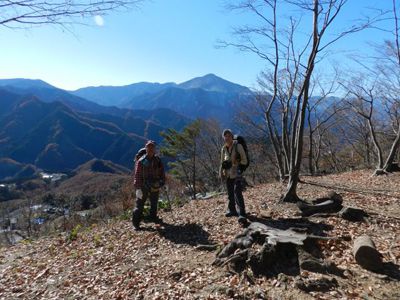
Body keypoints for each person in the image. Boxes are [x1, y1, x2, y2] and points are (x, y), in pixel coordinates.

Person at [132, 140, 165, 230]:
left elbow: (162, 172)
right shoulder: (141, 161)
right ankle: (136, 224)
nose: (150, 149)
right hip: (143, 186)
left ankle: (153, 217)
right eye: (149, 147)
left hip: (155, 185)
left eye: (152, 147)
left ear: (154, 149)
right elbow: (137, 174)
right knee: (139, 205)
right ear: (146, 148)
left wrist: (162, 182)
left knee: (154, 203)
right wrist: (138, 188)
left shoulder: (157, 160)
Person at [219, 129, 247, 218]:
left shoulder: (238, 146)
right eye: (225, 136)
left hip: (237, 173)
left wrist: (236, 163)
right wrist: (221, 173)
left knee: (237, 192)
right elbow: (222, 162)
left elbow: (244, 160)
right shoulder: (223, 149)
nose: (227, 138)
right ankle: (232, 210)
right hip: (228, 174)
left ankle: (242, 213)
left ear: (232, 136)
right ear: (223, 138)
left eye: (229, 136)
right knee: (230, 193)